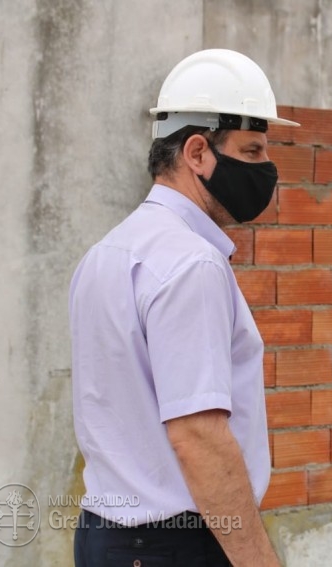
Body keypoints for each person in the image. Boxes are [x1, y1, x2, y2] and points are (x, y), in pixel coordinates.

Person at [69, 48, 298, 566]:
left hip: (105, 536)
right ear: (197, 152)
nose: (267, 169)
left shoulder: (106, 253)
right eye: (254, 150)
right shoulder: (191, 265)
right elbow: (198, 435)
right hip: (175, 545)